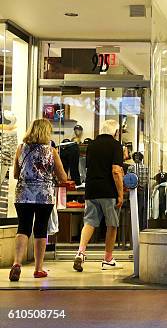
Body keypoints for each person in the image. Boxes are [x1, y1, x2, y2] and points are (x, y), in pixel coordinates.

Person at [9, 119, 67, 281]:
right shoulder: (51, 151)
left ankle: (17, 263)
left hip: (23, 195)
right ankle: (38, 268)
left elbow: (15, 174)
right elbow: (63, 177)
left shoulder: (21, 148)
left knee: (23, 228)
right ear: (46, 132)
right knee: (40, 229)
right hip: (44, 195)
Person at [73, 119, 124, 272]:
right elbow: (116, 170)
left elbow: (90, 168)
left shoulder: (92, 145)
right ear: (115, 132)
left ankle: (80, 252)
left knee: (89, 222)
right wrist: (120, 194)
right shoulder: (116, 146)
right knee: (112, 225)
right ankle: (107, 259)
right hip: (108, 191)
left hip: (91, 189)